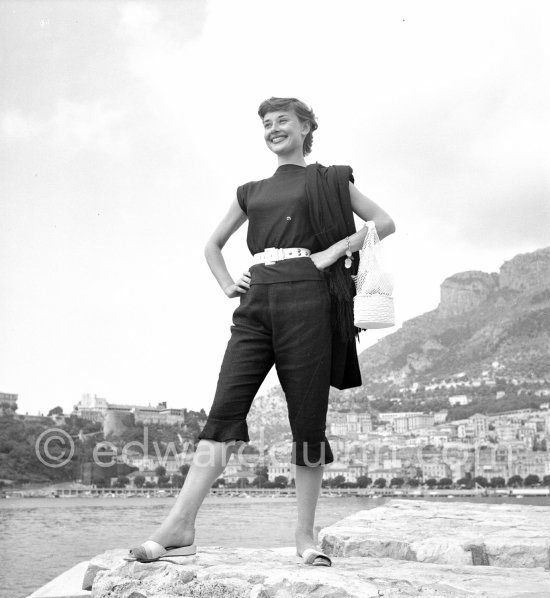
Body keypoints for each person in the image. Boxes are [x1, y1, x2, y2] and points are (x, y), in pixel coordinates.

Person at [126, 97, 395, 566]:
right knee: (224, 412)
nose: (273, 129)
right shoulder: (249, 190)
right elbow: (212, 245)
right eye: (267, 124)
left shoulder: (330, 179)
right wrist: (230, 284)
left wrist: (331, 253)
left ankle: (305, 537)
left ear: (306, 126)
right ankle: (180, 526)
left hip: (310, 299)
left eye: (283, 121)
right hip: (256, 301)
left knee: (307, 421)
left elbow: (384, 222)